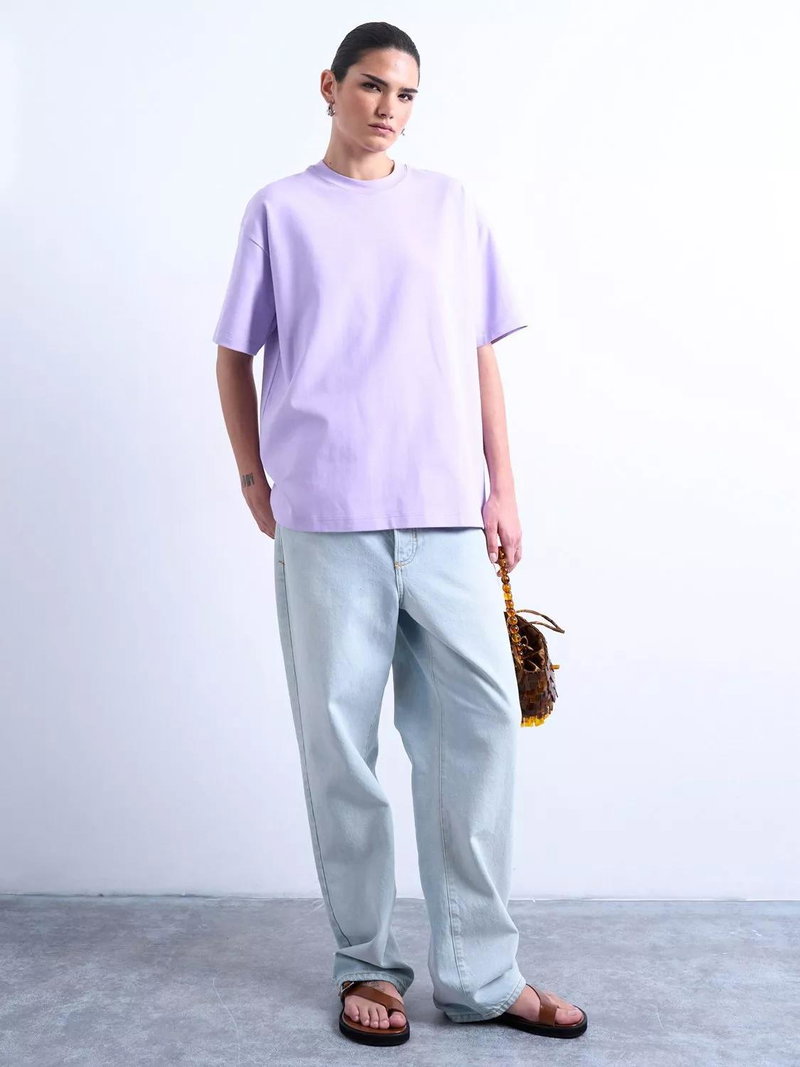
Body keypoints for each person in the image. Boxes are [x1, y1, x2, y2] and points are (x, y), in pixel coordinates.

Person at [212, 20, 587, 1048]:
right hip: (326, 515)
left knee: (477, 731)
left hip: (443, 513)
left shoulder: (450, 206)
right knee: (341, 747)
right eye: (373, 85)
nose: (389, 107)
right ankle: (364, 965)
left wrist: (503, 487)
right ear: (329, 85)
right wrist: (252, 473)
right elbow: (234, 354)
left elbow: (477, 353)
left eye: (407, 93)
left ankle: (480, 972)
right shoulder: (279, 211)